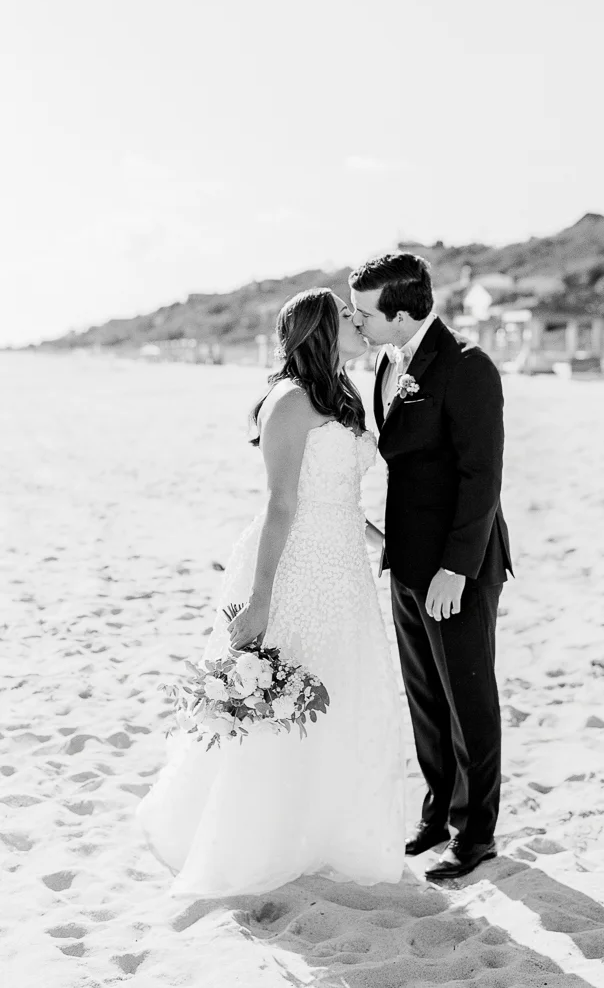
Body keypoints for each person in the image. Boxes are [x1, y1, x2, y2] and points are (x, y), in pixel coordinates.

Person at [137, 289, 405, 895]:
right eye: (345, 316)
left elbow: (335, 494)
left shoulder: (342, 394)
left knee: (343, 690)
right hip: (294, 567)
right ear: (319, 330)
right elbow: (283, 503)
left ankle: (325, 831)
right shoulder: (287, 402)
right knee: (282, 703)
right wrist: (259, 601)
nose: (357, 322)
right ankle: (257, 838)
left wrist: (377, 537)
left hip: (343, 565)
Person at [349, 253, 513, 881]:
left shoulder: (467, 368)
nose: (357, 322)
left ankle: (476, 835)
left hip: (457, 566)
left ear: (404, 311)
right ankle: (437, 812)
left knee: (469, 696)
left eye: (366, 312)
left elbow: (482, 478)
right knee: (425, 697)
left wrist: (456, 569)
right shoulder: (388, 363)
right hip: (406, 559)